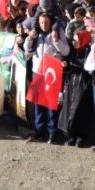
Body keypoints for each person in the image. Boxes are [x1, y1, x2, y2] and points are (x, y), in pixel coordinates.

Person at [24, 11, 69, 142]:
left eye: (46, 23)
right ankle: (39, 130)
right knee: (38, 103)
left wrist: (56, 41)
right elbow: (27, 51)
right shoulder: (36, 34)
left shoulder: (57, 33)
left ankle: (52, 132)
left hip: (52, 73)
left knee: (51, 104)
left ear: (51, 23)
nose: (44, 25)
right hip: (38, 72)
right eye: (42, 23)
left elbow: (66, 51)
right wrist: (30, 38)